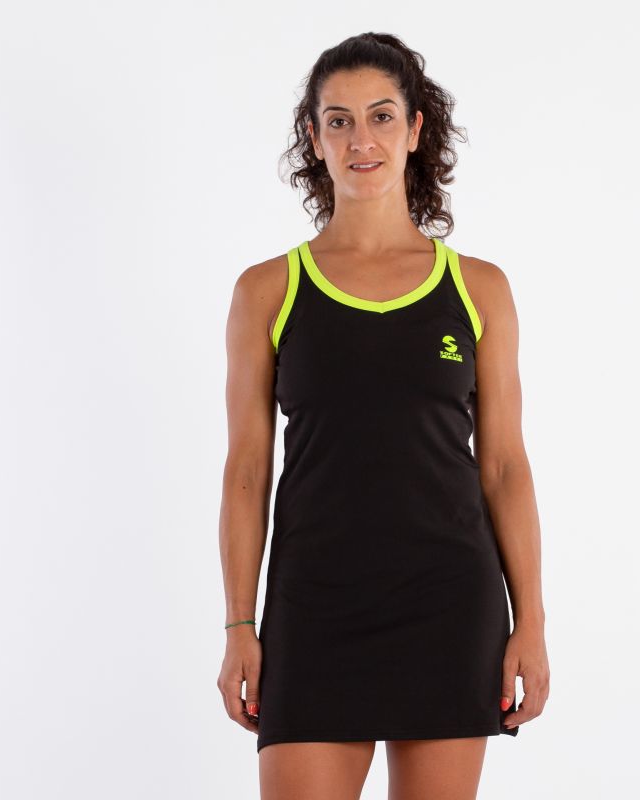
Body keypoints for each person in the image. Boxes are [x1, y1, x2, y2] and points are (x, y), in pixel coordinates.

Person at [217, 32, 549, 800]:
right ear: (314, 138)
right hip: (313, 608)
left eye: (381, 116)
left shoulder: (479, 288)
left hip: (448, 604)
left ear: (415, 129)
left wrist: (530, 622)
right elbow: (246, 472)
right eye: (338, 120)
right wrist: (239, 626)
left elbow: (504, 467)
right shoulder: (267, 290)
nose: (360, 139)